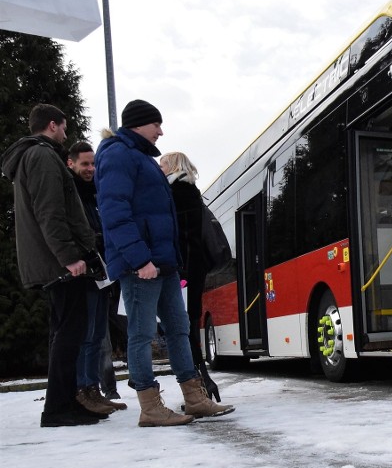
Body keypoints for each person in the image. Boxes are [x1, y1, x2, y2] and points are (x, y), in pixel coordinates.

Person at [95, 99, 234, 427]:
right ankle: (150, 407)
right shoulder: (118, 155)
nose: (161, 131)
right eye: (155, 124)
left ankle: (194, 399)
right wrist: (139, 259)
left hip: (165, 263)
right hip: (142, 265)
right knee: (142, 334)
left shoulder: (141, 157)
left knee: (179, 329)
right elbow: (115, 212)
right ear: (138, 124)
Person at [0, 104, 106, 427]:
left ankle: (63, 403)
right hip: (58, 264)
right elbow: (51, 214)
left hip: (50, 262)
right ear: (51, 125)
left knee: (64, 332)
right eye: (63, 126)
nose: (65, 132)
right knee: (69, 333)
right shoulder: (43, 157)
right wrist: (70, 258)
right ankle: (58, 408)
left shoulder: (31, 157)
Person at [66, 141, 126, 412]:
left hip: (102, 272)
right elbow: (79, 231)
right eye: (85, 164)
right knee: (87, 334)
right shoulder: (72, 193)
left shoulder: (95, 194)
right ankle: (82, 390)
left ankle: (94, 389)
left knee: (98, 333)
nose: (90, 168)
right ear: (71, 164)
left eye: (93, 164)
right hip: (85, 271)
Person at [159, 151, 222, 401]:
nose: (159, 168)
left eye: (162, 164)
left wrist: (180, 270)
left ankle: (201, 383)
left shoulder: (179, 192)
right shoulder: (189, 190)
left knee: (183, 326)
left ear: (173, 166)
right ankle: (201, 382)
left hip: (185, 270)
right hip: (192, 267)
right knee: (186, 325)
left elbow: (182, 235)